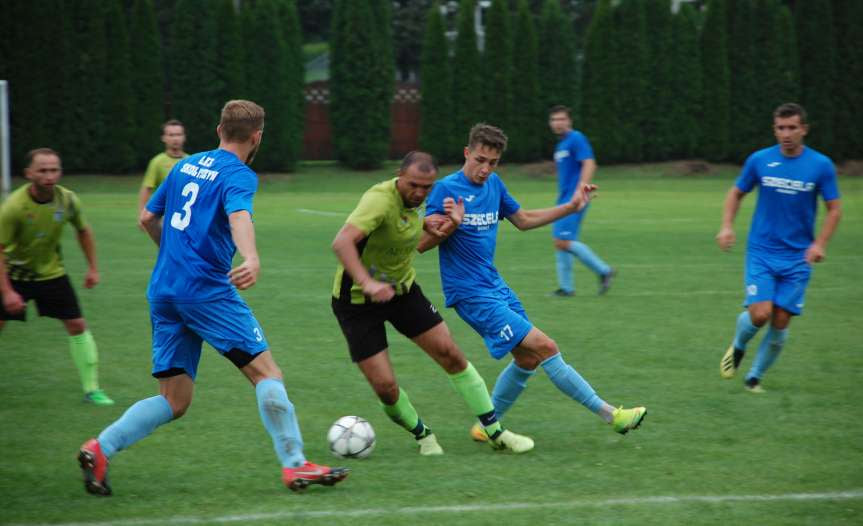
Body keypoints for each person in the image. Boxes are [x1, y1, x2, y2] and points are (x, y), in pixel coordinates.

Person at [78, 100, 348, 496]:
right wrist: (251, 257)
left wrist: (173, 256)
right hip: (206, 292)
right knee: (266, 373)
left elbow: (147, 218)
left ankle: (99, 449)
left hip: (164, 291)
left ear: (219, 130)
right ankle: (295, 466)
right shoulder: (239, 175)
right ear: (256, 137)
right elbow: (239, 217)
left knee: (174, 399)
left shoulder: (183, 166)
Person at [418, 124, 646, 444]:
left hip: (495, 286)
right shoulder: (445, 189)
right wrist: (451, 224)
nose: (485, 169)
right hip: (470, 293)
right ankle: (613, 415)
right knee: (546, 346)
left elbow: (523, 220)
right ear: (466, 153)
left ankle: (486, 425)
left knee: (527, 359)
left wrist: (570, 207)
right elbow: (421, 243)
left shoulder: (494, 185)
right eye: (480, 160)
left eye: (492, 162)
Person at [330, 151, 534, 456]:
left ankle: (495, 431)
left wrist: (445, 224)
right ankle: (423, 435)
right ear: (400, 177)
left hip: (404, 293)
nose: (421, 193)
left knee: (450, 354)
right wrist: (368, 283)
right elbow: (342, 242)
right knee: (385, 387)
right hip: (357, 302)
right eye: (414, 185)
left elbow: (408, 225)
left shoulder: (420, 199)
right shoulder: (379, 199)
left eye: (427, 187)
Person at [717, 103, 841, 393]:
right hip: (762, 251)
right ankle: (738, 346)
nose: (786, 134)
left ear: (804, 129)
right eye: (781, 128)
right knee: (760, 314)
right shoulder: (759, 160)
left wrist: (820, 243)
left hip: (798, 257)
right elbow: (736, 193)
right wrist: (726, 226)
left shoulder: (821, 165)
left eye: (792, 128)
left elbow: (834, 209)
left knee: (781, 320)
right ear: (775, 129)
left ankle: (754, 378)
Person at [0, 148, 113, 406]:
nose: (49, 176)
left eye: (54, 170)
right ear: (28, 173)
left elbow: (83, 231)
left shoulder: (68, 200)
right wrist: (6, 292)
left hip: (51, 275)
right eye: (42, 170)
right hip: (13, 275)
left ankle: (92, 389)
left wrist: (93, 268)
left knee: (77, 325)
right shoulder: (14, 207)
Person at [548, 106, 614, 297]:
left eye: (561, 119)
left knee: (563, 240)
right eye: (554, 119)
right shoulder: (561, 144)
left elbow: (590, 163)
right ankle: (566, 288)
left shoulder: (576, 138)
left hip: (575, 198)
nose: (557, 123)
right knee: (560, 240)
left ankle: (604, 271)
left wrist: (581, 189)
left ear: (569, 121)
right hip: (564, 198)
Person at [137, 120, 188, 216]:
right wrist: (142, 214)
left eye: (178, 135)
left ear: (184, 137)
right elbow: (147, 189)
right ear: (163, 138)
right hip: (164, 216)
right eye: (171, 135)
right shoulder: (157, 162)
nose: (175, 139)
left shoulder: (191, 161)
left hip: (186, 216)